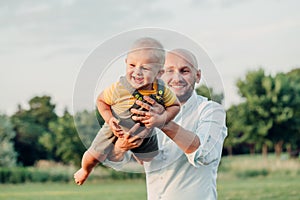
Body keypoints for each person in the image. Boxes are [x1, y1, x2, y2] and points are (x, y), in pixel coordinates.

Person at [104, 48, 228, 200]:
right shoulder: (145, 110)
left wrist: (164, 123)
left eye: (184, 71)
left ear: (198, 75)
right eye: (169, 71)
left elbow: (204, 155)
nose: (177, 78)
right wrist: (122, 146)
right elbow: (116, 159)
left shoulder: (211, 111)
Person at [74, 38, 180, 185]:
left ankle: (137, 153)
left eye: (145, 68)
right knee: (94, 155)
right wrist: (109, 119)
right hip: (116, 128)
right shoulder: (119, 88)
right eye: (132, 65)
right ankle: (84, 170)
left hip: (145, 130)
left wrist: (162, 119)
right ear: (126, 63)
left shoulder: (161, 90)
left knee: (150, 157)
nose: (137, 72)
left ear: (159, 73)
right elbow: (101, 101)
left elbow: (175, 105)